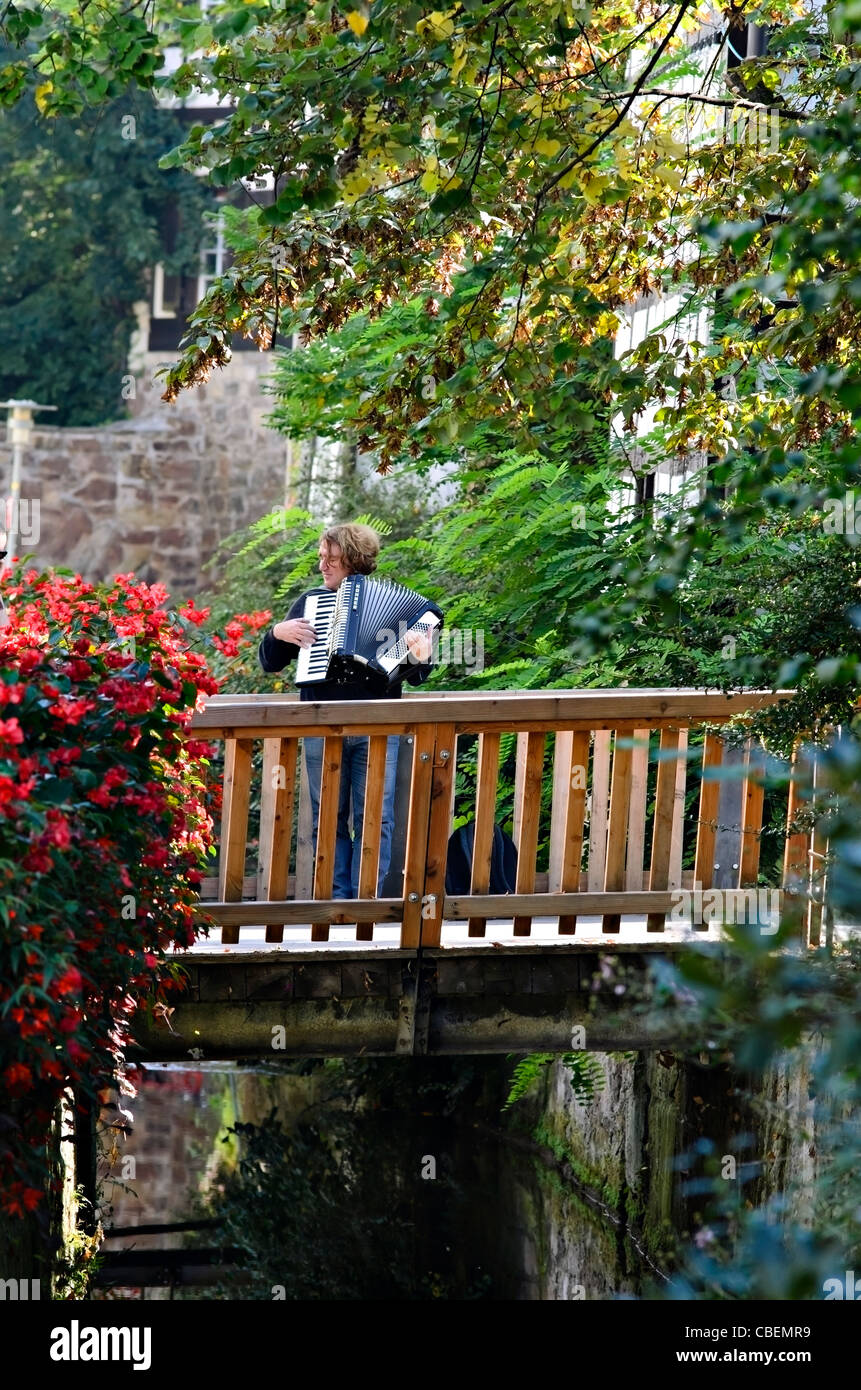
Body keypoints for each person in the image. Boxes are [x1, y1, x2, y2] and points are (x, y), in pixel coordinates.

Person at [258, 522, 438, 898]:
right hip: (322, 725)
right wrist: (277, 633)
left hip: (377, 727)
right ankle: (334, 898)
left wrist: (420, 649)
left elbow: (419, 673)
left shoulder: (403, 608)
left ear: (354, 561)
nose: (322, 566)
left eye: (332, 559)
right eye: (321, 558)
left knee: (377, 816)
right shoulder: (310, 603)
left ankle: (364, 899)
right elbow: (270, 663)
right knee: (327, 817)